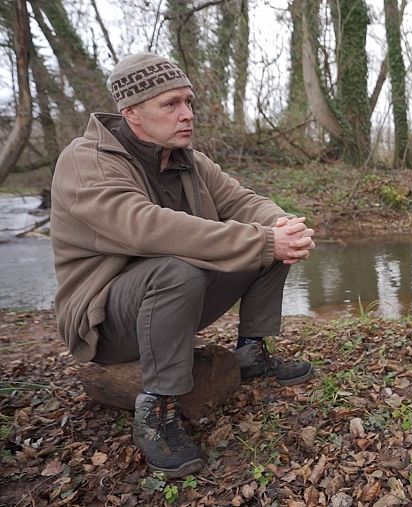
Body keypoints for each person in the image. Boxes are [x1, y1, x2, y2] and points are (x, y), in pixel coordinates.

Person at [50, 53, 317, 478]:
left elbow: (243, 201)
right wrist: (263, 239)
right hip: (104, 321)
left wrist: (284, 225)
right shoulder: (86, 161)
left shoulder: (186, 159)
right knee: (187, 264)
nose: (187, 114)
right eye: (170, 104)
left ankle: (251, 353)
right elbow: (146, 228)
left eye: (188, 101)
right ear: (132, 112)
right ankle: (158, 409)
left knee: (271, 243)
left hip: (172, 304)